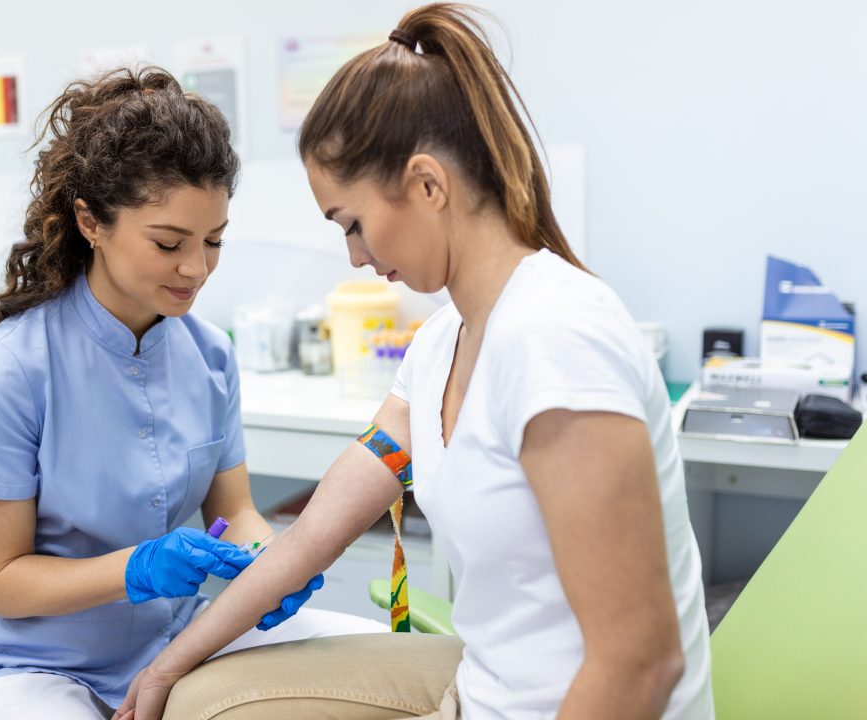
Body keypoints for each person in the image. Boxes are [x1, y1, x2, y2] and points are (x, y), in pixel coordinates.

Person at [115, 5, 714, 719]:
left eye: (355, 224)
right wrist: (163, 669)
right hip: (479, 694)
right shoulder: (440, 347)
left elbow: (642, 663)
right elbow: (309, 539)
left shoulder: (556, 341)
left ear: (429, 185)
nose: (356, 257)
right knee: (192, 698)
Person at [0, 67, 384, 720]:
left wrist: (268, 563)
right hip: (25, 667)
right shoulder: (7, 372)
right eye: (169, 243)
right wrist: (136, 568)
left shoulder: (209, 355)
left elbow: (237, 511)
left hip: (174, 641)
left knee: (373, 662)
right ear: (91, 220)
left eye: (214, 241)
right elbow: (1, 583)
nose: (196, 268)